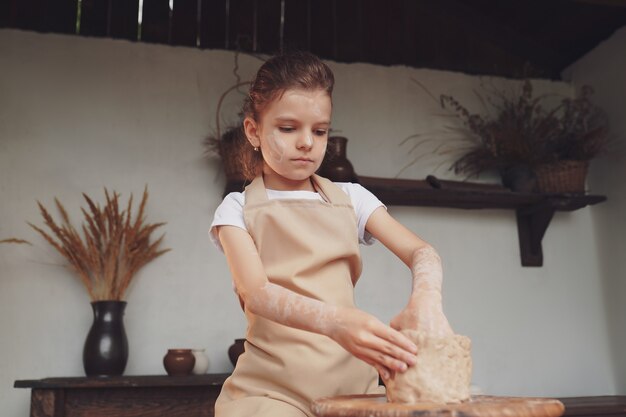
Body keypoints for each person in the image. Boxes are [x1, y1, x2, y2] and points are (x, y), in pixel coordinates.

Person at [209, 51, 453, 417]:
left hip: (354, 391)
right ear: (253, 131)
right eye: (288, 128)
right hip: (269, 394)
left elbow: (423, 253)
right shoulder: (236, 208)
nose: (307, 142)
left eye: (320, 130)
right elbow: (256, 292)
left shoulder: (351, 199)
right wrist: (335, 321)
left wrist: (426, 300)